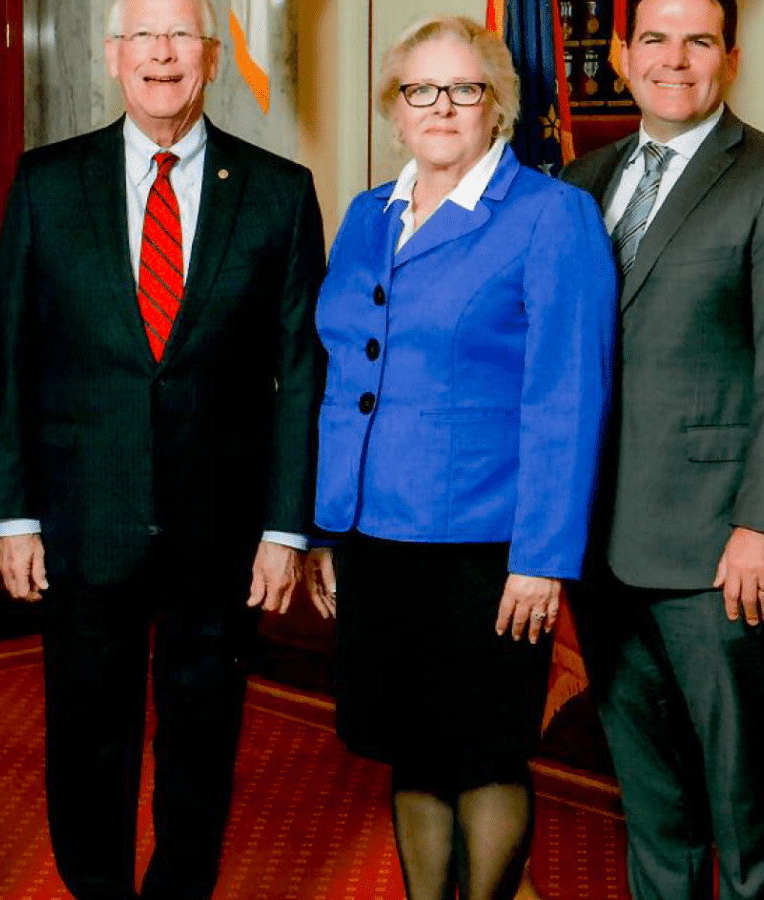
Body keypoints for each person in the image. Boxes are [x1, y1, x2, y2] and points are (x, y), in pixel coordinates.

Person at [0, 0, 325, 895]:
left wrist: (286, 529)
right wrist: (11, 514)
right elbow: (11, 360)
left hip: (221, 533)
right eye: (145, 37)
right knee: (86, 735)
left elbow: (302, 377)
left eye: (181, 37)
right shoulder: (48, 182)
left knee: (202, 737)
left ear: (210, 56)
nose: (163, 55)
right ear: (113, 57)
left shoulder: (280, 191)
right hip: (81, 519)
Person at [302, 16, 615, 900]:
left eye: (465, 89)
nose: (442, 107)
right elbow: (342, 380)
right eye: (420, 90)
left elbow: (568, 398)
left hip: (488, 548)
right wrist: (329, 527)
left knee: (481, 756)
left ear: (499, 108)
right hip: (376, 538)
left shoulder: (553, 217)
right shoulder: (368, 215)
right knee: (412, 747)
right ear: (395, 111)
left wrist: (544, 559)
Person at [556, 1, 764, 898]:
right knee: (653, 808)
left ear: (730, 54)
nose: (673, 59)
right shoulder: (580, 182)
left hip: (721, 559)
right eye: (653, 38)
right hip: (601, 547)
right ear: (620, 52)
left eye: (698, 40)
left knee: (749, 812)